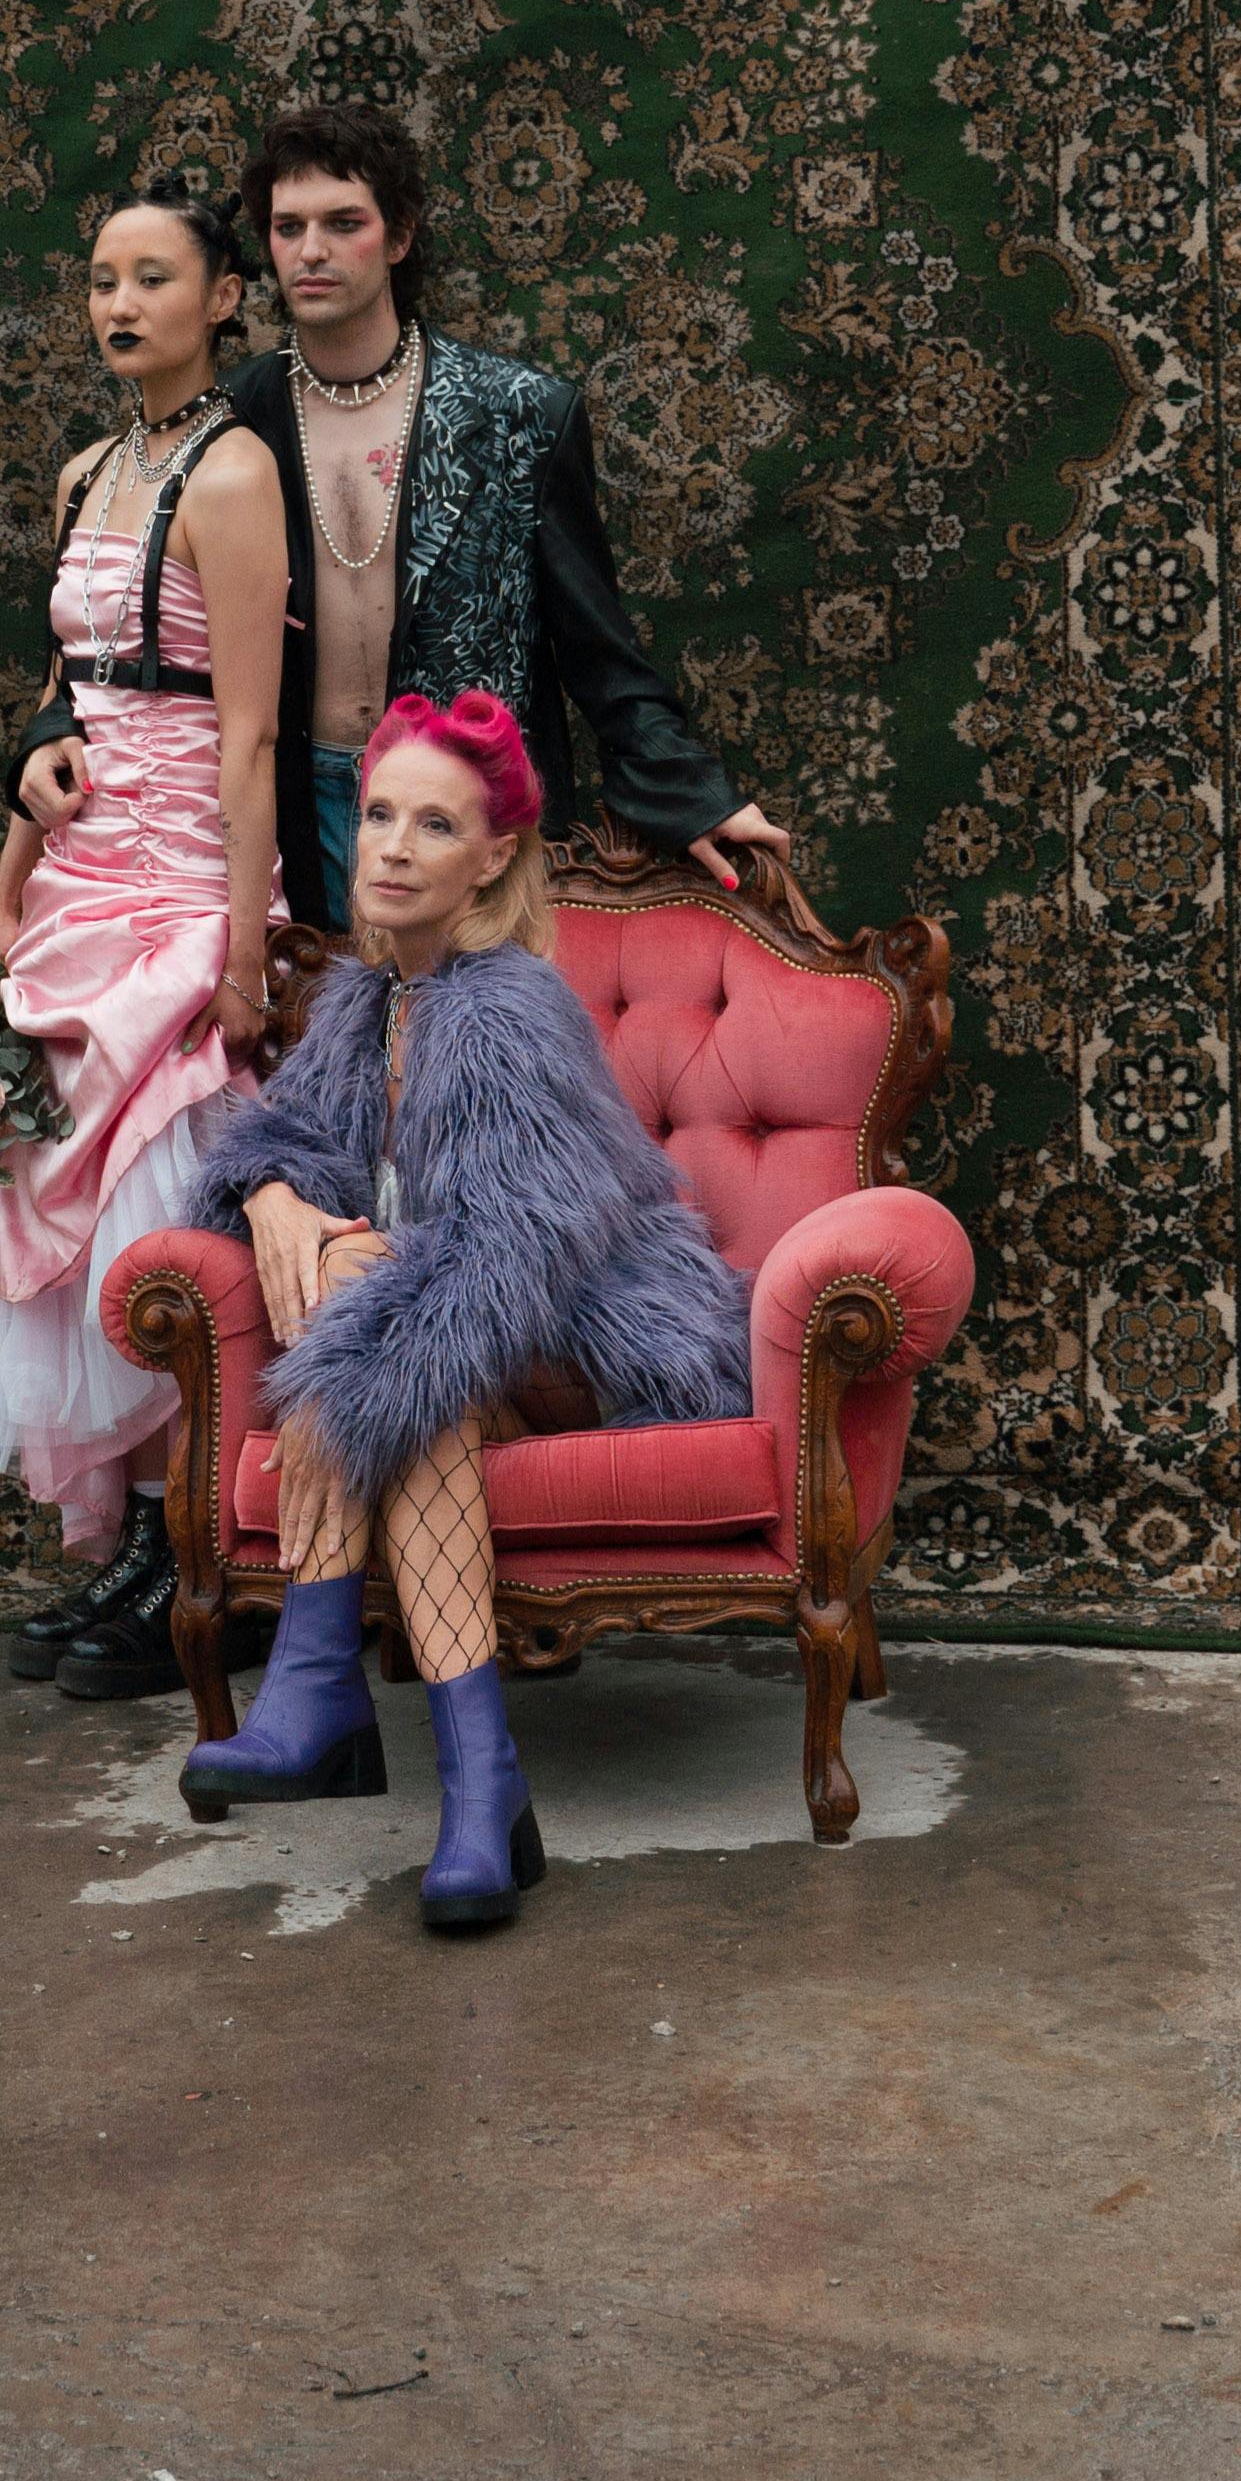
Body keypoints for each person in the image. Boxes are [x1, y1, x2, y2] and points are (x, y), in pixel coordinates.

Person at [175, 692, 752, 1930]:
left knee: (395, 1336)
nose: (390, 847)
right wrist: (272, 1196)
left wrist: (357, 1283)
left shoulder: (507, 1009)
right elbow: (286, 1144)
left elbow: (516, 1254)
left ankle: (321, 1693)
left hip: (601, 1341)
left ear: (492, 859)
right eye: (380, 814)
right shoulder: (364, 1002)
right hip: (482, 1342)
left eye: (433, 827)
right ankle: (481, 1793)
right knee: (398, 1353)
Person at [18, 94, 787, 937]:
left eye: (343, 222)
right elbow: (112, 615)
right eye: (287, 226)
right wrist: (54, 728)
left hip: (460, 818)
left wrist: (693, 796)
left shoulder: (521, 418)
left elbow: (602, 657)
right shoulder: (225, 428)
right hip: (284, 817)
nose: (310, 251)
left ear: (400, 234)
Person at [0, 185, 287, 1702]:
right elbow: (62, 693)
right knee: (62, 1203)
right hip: (81, 874)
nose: (119, 301)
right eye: (101, 277)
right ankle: (135, 1549)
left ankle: (199, 1561)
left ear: (222, 297)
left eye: (153, 276)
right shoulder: (86, 468)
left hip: (177, 886)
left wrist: (236, 941)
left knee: (157, 1214)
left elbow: (247, 734)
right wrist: (8, 866)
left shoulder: (233, 476)